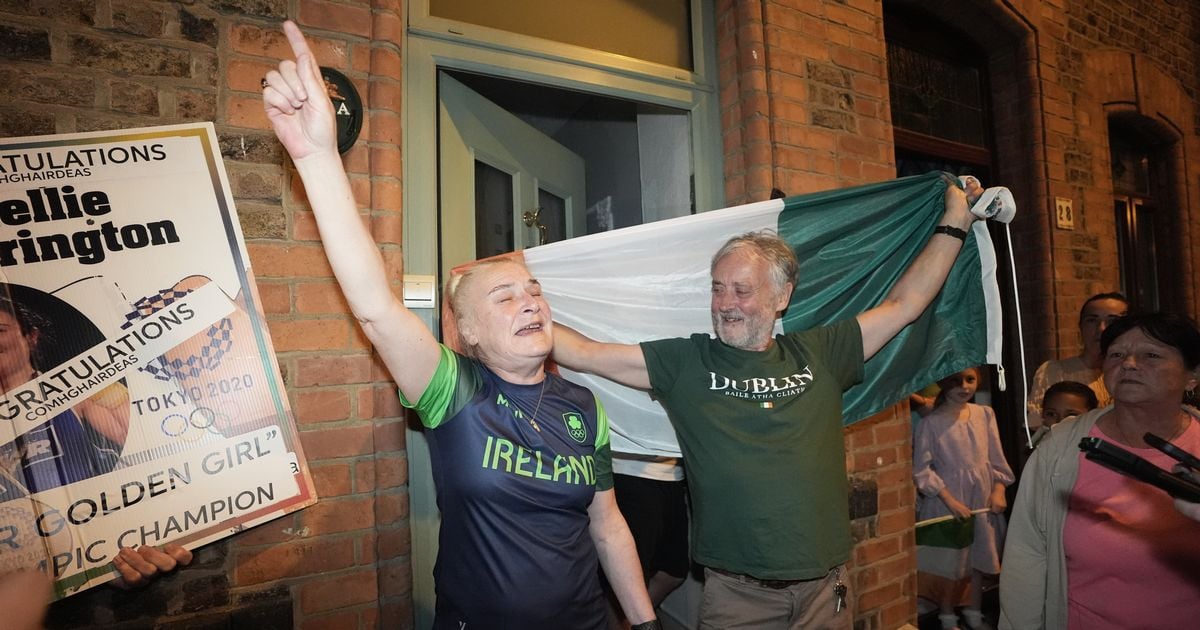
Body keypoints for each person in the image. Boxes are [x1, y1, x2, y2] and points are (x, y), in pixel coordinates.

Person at [261, 21, 656, 629]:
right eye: (504, 297)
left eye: (534, 291)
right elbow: (375, 306)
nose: (530, 303)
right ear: (466, 332)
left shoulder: (584, 406)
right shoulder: (454, 391)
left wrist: (645, 621)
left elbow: (606, 524)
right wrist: (316, 158)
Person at [553, 177, 987, 628]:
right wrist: (509, 301)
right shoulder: (685, 362)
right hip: (738, 597)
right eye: (718, 288)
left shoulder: (821, 352)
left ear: (781, 297)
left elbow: (906, 303)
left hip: (827, 591)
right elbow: (586, 353)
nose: (725, 304)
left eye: (742, 290)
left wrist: (955, 218)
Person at [1000, 312, 1200, 629]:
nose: (1129, 364)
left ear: (1192, 375)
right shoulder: (1061, 449)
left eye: (1151, 354)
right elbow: (1027, 556)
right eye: (1117, 354)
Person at [913, 367, 1014, 630]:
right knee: (951, 564)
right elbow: (922, 470)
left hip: (981, 499)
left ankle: (974, 610)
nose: (965, 387)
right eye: (956, 381)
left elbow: (996, 457)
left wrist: (999, 489)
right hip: (948, 502)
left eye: (970, 380)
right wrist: (949, 499)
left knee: (979, 559)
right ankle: (947, 615)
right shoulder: (930, 424)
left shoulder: (985, 414)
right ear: (943, 383)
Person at [0, 293, 129, 495]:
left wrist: (102, 389)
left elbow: (129, 435)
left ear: (31, 337)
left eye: (0, 330)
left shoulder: (75, 390)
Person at [606, 455, 689, 629]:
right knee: (631, 578)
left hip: (673, 473)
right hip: (631, 470)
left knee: (674, 572)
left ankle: (628, 620)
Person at [1026, 293, 1128, 429]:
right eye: (1092, 320)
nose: (1102, 329)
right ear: (1081, 326)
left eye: (1112, 321)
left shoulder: (1134, 371)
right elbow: (1037, 425)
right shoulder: (1055, 371)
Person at [1028, 380, 1097, 449]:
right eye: (1051, 414)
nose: (1060, 422)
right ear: (1043, 415)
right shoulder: (1038, 448)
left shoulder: (1097, 451)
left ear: (1091, 417)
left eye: (1071, 415)